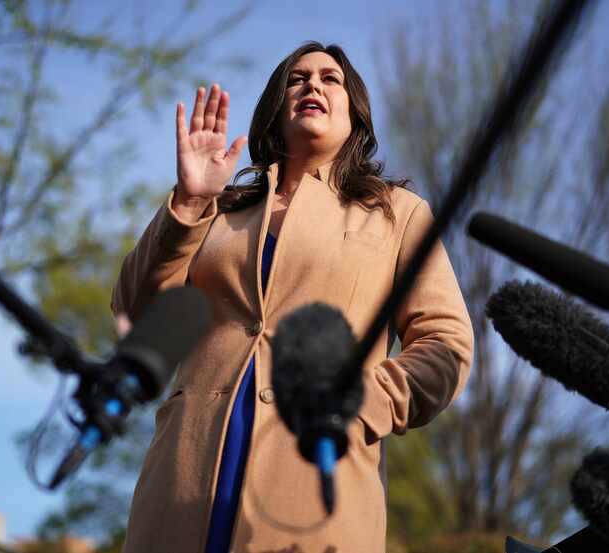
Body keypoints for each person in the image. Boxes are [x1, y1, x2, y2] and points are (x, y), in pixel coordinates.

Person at [111, 41, 473, 553]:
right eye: (297, 79)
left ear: (356, 115)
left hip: (317, 484)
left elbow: (447, 344)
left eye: (330, 79)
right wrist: (190, 202)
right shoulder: (215, 213)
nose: (312, 86)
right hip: (182, 485)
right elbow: (135, 315)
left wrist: (362, 401)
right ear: (275, 109)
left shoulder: (399, 214)